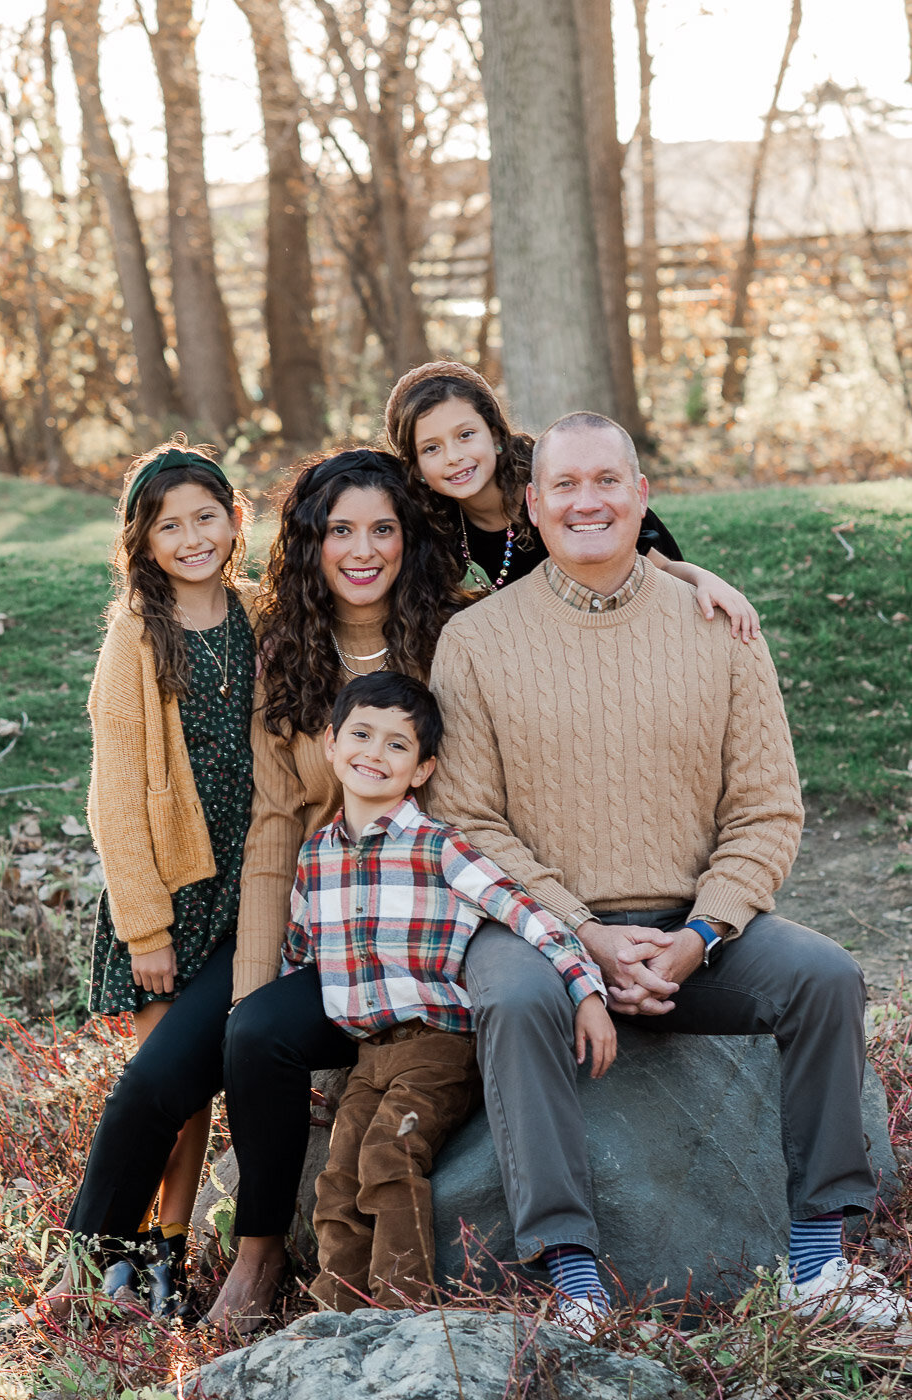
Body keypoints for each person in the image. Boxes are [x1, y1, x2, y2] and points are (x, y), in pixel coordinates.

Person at [426, 410, 908, 1330]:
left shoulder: (719, 625)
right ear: (531, 504)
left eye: (607, 480)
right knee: (519, 999)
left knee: (826, 977)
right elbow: (468, 820)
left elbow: (767, 812)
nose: (587, 500)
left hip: (699, 930)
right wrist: (587, 937)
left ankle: (818, 1265)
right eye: (564, 484)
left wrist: (698, 936)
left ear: (642, 495)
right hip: (538, 932)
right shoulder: (479, 641)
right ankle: (573, 1283)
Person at [205, 450, 465, 1333]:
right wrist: (253, 984)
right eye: (340, 529)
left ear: (410, 538)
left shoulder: (458, 635)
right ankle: (260, 1250)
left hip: (440, 933)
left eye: (383, 529)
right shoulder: (289, 653)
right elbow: (275, 824)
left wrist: (680, 569)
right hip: (344, 935)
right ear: (311, 541)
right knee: (259, 1032)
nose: (363, 549)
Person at [285, 672, 612, 1314]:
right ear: (330, 745)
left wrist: (586, 990)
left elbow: (529, 913)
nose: (374, 754)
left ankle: (404, 1312)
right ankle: (340, 1315)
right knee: (337, 1180)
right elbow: (300, 953)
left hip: (436, 1048)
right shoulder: (315, 857)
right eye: (360, 735)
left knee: (389, 1154)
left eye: (397, 746)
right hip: (367, 1056)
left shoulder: (439, 847)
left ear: (423, 766)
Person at [21, 437, 257, 1324]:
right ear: (144, 539)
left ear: (235, 522)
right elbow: (113, 795)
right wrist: (145, 927)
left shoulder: (255, 614)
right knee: (161, 1085)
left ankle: (170, 1247)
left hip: (245, 890)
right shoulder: (136, 636)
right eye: (171, 525)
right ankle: (109, 1259)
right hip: (166, 896)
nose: (192, 537)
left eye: (206, 518)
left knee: (199, 1088)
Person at [384, 360, 760, 639]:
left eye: (465, 435)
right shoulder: (434, 528)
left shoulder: (564, 492)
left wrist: (703, 578)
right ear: (416, 467)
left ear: (496, 434)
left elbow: (655, 565)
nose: (453, 456)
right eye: (431, 448)